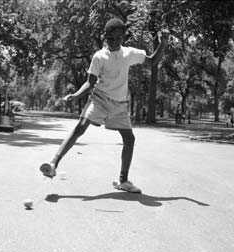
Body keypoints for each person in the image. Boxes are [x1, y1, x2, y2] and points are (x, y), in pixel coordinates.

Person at [39, 18, 168, 193]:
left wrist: (163, 43)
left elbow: (152, 61)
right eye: (110, 38)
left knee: (129, 140)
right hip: (99, 99)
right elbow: (90, 82)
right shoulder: (99, 56)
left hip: (119, 104)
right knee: (80, 127)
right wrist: (76, 95)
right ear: (105, 37)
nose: (114, 42)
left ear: (123, 38)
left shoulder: (130, 53)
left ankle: (123, 181)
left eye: (118, 39)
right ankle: (53, 164)